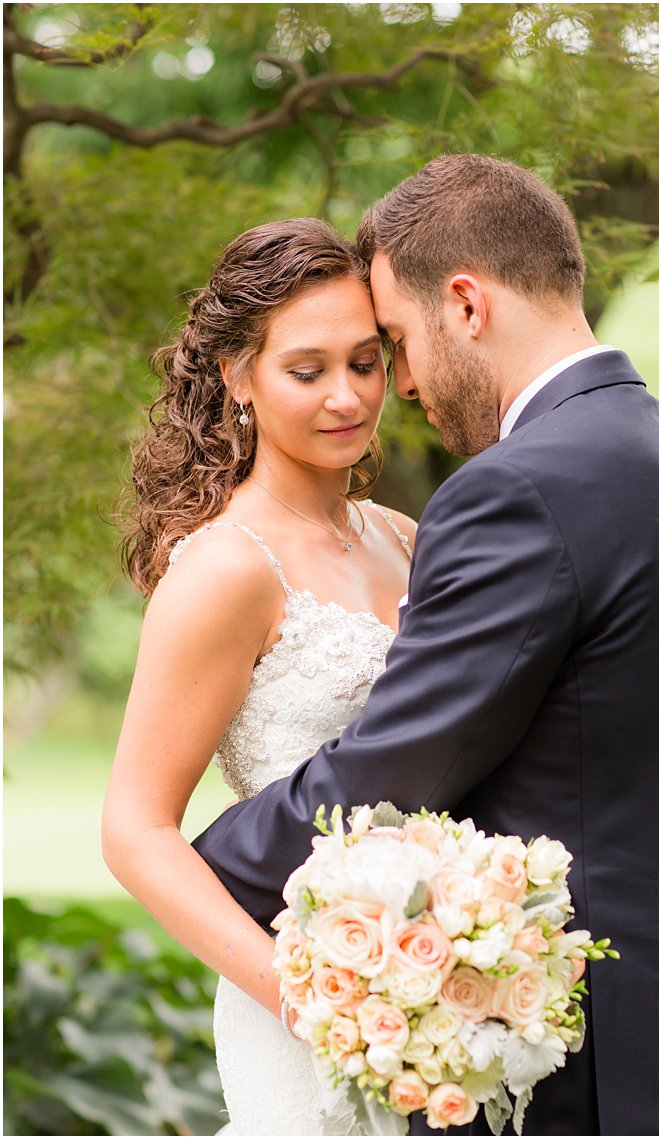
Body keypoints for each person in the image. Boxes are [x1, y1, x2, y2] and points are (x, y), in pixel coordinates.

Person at [189, 154, 659, 1136]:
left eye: (393, 345)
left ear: (464, 302)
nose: (397, 385)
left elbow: (392, 767)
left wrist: (195, 861)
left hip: (543, 1059)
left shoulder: (517, 488)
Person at [103, 217, 418, 1133]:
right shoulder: (226, 568)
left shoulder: (407, 538)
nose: (348, 397)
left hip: (430, 971)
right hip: (299, 992)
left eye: (366, 362)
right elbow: (135, 829)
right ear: (238, 377)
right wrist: (304, 999)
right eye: (307, 370)